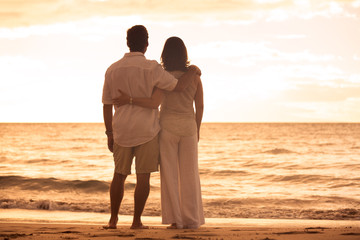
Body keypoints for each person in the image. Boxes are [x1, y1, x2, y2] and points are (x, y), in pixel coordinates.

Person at [102, 26, 200, 229]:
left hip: (123, 130)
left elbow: (106, 104)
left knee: (119, 175)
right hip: (148, 130)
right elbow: (180, 90)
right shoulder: (153, 69)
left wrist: (109, 132)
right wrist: (193, 71)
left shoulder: (112, 69)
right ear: (146, 44)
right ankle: (138, 221)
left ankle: (113, 220)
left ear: (127, 43)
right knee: (144, 176)